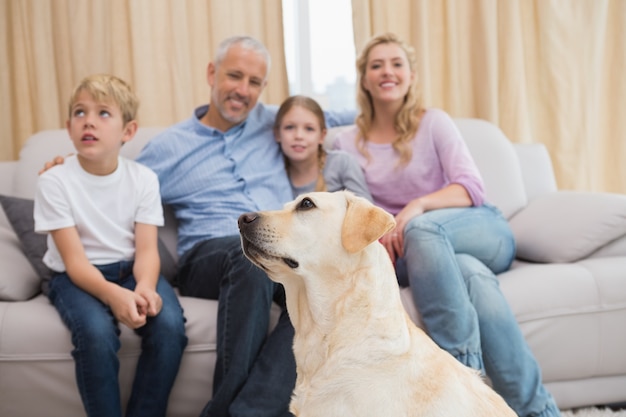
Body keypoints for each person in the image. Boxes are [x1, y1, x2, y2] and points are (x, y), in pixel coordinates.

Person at [333, 33, 561, 417]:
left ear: (411, 76)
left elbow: (471, 187)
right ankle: (539, 411)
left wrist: (416, 207)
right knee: (472, 276)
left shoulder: (432, 123)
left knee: (425, 230)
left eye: (396, 64)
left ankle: (460, 375)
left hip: (477, 228)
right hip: (418, 256)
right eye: (376, 65)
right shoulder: (346, 143)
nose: (387, 71)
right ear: (364, 79)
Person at [134, 37, 355, 417]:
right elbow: (118, 188)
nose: (243, 90)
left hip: (279, 249)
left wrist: (391, 114)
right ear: (211, 73)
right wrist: (69, 165)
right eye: (234, 76)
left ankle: (250, 410)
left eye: (254, 82)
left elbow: (329, 119)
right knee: (247, 255)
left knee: (325, 291)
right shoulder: (167, 147)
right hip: (209, 256)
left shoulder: (271, 124)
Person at [33, 74, 188, 417]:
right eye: (79, 112)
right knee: (96, 333)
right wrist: (113, 295)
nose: (88, 120)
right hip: (76, 277)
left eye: (104, 113)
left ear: (128, 131)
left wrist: (145, 288)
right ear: (69, 127)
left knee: (170, 328)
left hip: (131, 270)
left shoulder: (143, 179)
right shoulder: (54, 181)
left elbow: (147, 250)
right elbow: (74, 263)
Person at [274, 95, 371, 200]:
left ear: (322, 136)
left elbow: (366, 210)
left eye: (309, 129)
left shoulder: (342, 163)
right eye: (289, 127)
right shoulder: (274, 175)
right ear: (277, 134)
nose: (299, 136)